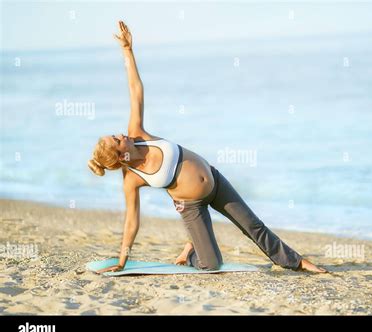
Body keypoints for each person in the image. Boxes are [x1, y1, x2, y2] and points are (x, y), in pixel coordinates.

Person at [90, 21, 327, 274]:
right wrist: (123, 261)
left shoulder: (138, 134)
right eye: (116, 140)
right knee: (211, 265)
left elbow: (135, 89)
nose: (120, 134)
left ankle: (295, 261)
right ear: (121, 156)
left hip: (215, 180)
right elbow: (131, 222)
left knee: (252, 225)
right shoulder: (132, 180)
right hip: (190, 205)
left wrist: (127, 50)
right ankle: (191, 251)